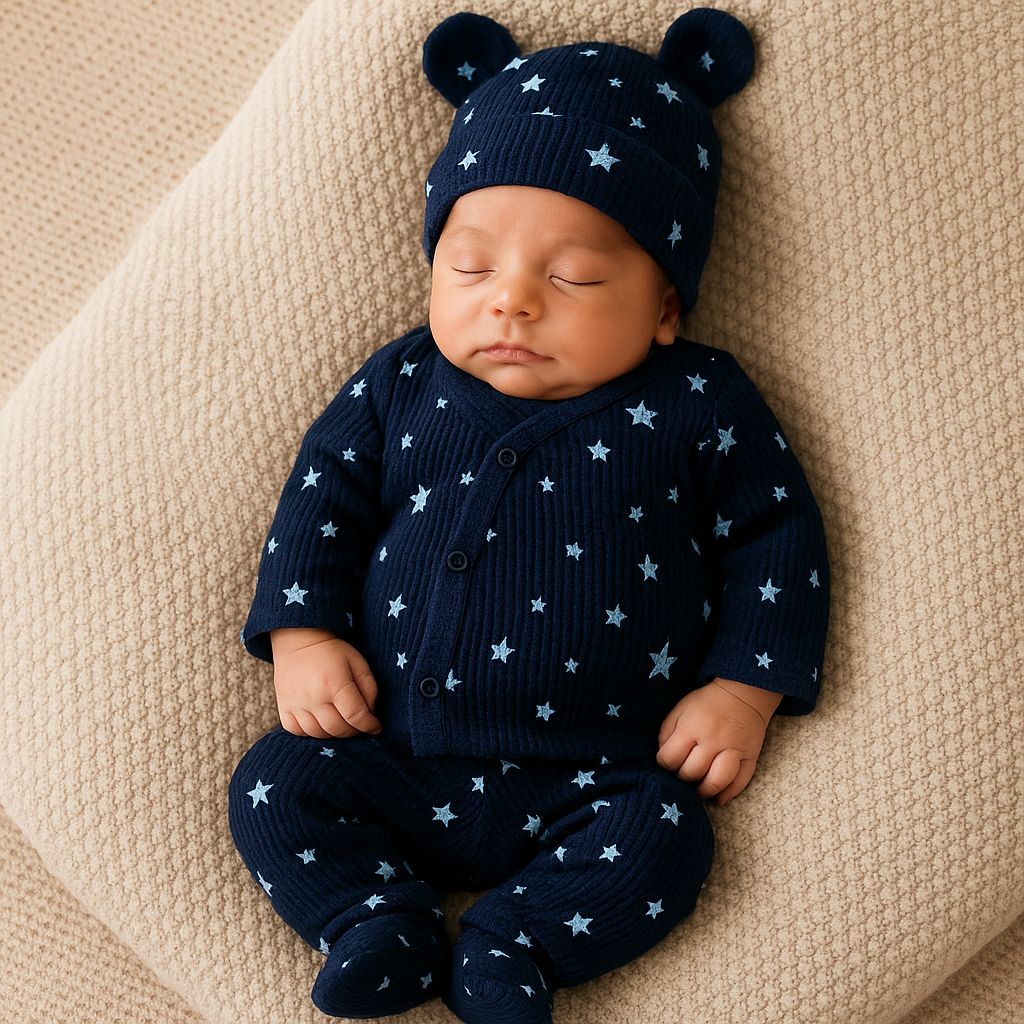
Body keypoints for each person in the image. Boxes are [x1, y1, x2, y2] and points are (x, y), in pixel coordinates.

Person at [228, 9, 830, 1023]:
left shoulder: (700, 403)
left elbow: (777, 541)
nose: (510, 301)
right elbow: (320, 500)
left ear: (665, 306)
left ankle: (516, 945)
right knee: (276, 782)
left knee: (666, 838)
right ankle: (374, 921)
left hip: (597, 773)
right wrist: (303, 635)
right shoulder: (400, 384)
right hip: (391, 750)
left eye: (575, 277)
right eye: (470, 268)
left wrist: (741, 692)